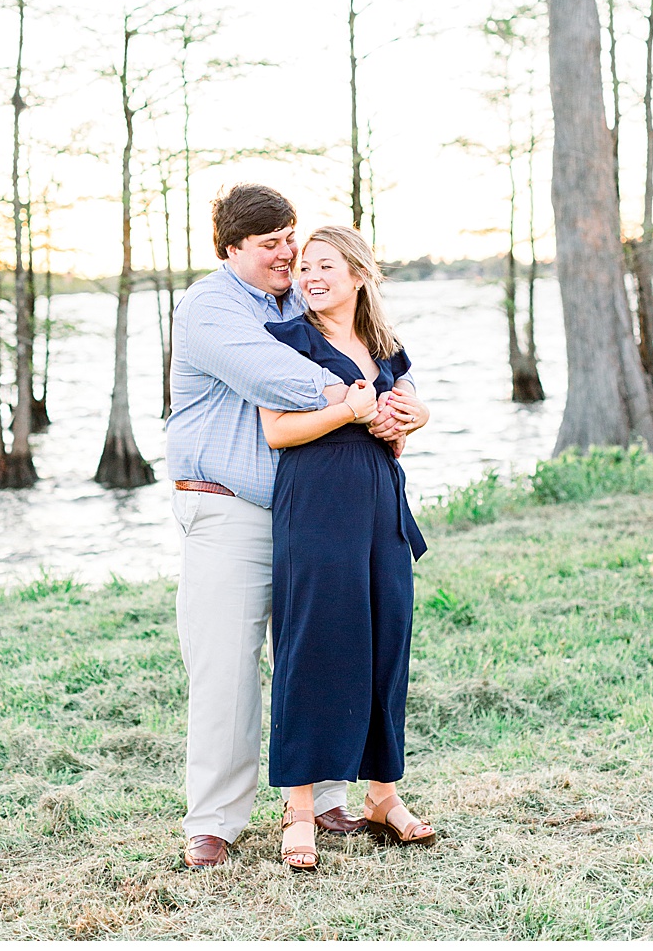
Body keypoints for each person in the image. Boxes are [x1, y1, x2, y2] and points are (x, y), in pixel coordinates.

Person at [166, 185, 427, 871]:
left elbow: (365, 348)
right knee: (225, 664)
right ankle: (215, 822)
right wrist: (364, 401)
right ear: (231, 251)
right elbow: (276, 376)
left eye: (290, 237)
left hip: (309, 510)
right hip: (226, 506)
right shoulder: (211, 306)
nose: (288, 254)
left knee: (328, 646)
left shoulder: (299, 300)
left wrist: (404, 413)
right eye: (269, 244)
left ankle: (331, 796)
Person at [258, 225, 435, 870]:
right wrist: (350, 413)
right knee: (312, 645)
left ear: (358, 274)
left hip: (381, 504)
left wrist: (403, 420)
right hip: (316, 505)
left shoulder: (386, 346)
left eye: (324, 265)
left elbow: (404, 425)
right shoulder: (287, 343)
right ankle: (300, 809)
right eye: (304, 266)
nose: (309, 276)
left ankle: (383, 796)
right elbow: (277, 433)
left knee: (388, 638)